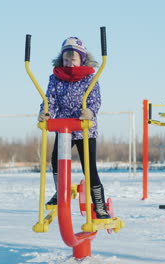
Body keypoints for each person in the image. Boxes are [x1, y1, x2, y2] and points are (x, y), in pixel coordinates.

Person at [38, 37, 110, 219]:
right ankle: (59, 192)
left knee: (90, 168)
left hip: (84, 128)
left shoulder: (89, 78)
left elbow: (95, 100)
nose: (69, 64)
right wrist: (46, 113)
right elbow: (50, 100)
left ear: (82, 59)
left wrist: (90, 112)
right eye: (66, 60)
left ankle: (100, 206)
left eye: (73, 60)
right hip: (64, 128)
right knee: (57, 161)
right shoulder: (55, 78)